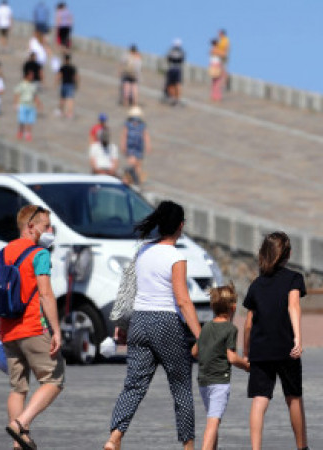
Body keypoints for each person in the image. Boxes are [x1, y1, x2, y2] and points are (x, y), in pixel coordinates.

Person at [105, 201, 202, 450]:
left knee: (134, 385)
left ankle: (114, 438)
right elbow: (182, 300)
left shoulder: (143, 251)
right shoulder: (176, 257)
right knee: (180, 387)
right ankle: (188, 446)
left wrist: (124, 324)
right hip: (165, 321)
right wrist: (200, 335)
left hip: (139, 320)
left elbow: (130, 290)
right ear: (180, 226)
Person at [0, 205, 65, 450]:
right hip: (34, 327)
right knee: (54, 380)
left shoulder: (2, 254)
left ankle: (20, 442)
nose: (49, 231)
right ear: (30, 227)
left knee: (18, 387)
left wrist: (0, 329)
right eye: (46, 226)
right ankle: (20, 424)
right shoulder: (39, 254)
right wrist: (56, 330)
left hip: (8, 329)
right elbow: (45, 294)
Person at [243, 232, 309, 450]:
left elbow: (248, 324)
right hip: (285, 347)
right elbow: (293, 306)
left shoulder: (256, 285)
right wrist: (298, 338)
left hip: (260, 349)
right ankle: (302, 447)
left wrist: (246, 352)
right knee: (294, 398)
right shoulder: (293, 278)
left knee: (259, 400)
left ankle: (255, 448)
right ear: (288, 254)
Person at [192, 284, 249, 450]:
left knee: (213, 418)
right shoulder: (230, 329)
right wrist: (246, 365)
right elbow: (231, 357)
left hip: (203, 380)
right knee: (213, 421)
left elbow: (194, 351)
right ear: (232, 308)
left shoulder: (206, 327)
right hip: (219, 382)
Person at [121, 106, 150, 187]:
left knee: (137, 164)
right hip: (134, 146)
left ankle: (136, 180)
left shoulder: (137, 124)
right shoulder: (137, 124)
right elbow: (125, 134)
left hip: (136, 146)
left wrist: (147, 144)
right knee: (134, 164)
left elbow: (145, 135)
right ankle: (133, 179)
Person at [14, 71, 42, 141]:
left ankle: (28, 133)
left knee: (30, 121)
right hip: (23, 104)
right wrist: (16, 103)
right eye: (30, 75)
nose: (32, 77)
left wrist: (38, 103)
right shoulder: (22, 84)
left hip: (31, 105)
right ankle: (21, 132)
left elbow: (35, 95)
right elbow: (17, 94)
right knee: (22, 120)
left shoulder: (33, 85)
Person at [164, 39, 185, 106]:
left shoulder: (171, 51)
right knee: (177, 84)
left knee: (171, 84)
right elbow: (182, 60)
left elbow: (168, 58)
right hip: (178, 69)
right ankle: (177, 99)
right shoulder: (181, 52)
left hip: (171, 68)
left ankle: (172, 98)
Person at [56, 53, 77, 119]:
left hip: (64, 84)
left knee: (62, 98)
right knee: (70, 99)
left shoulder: (63, 67)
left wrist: (56, 82)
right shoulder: (72, 68)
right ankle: (70, 113)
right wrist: (76, 84)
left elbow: (59, 75)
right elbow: (75, 77)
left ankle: (61, 111)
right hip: (71, 84)